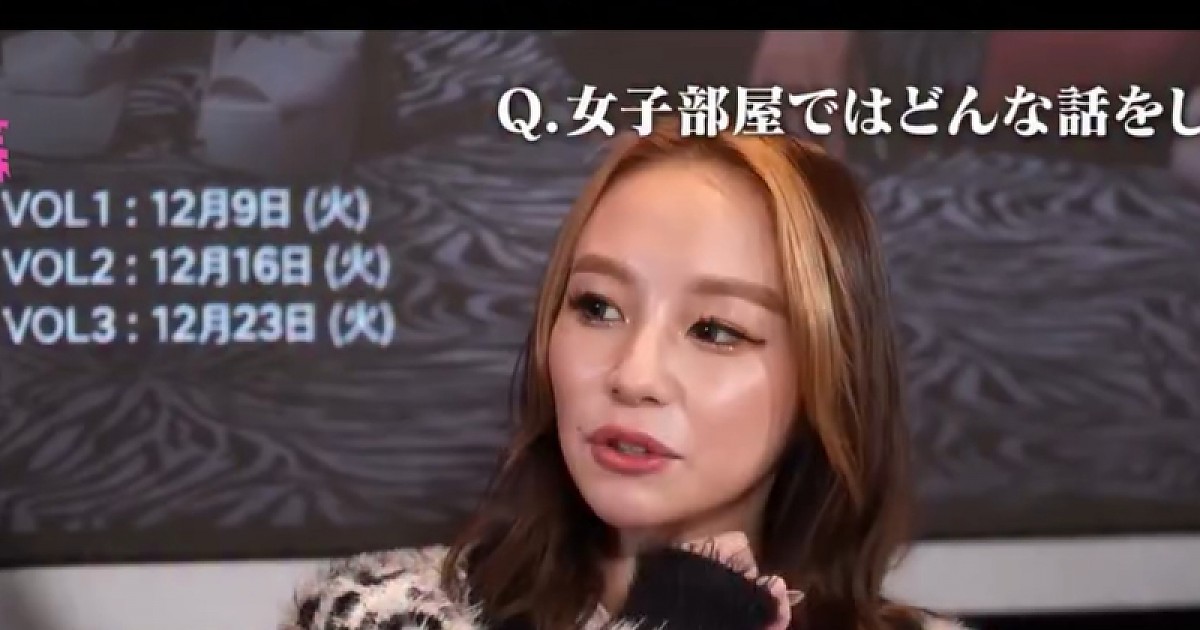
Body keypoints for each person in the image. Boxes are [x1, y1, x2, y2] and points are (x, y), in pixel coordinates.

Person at [280, 119, 969, 630]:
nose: (634, 376)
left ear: (826, 378)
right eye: (597, 307)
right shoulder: (380, 615)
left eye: (715, 330)